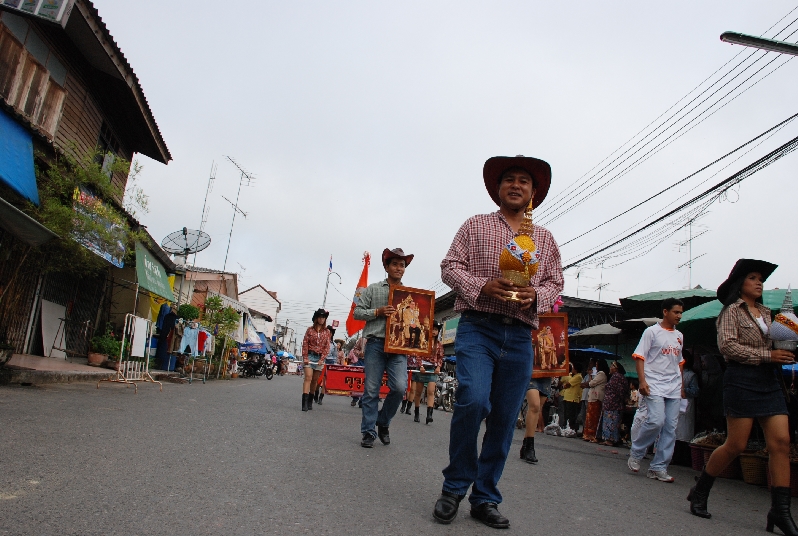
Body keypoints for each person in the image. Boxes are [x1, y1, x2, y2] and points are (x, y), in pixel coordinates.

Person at [433, 155, 563, 528]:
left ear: (533, 192)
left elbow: (555, 281)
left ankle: (485, 497)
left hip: (520, 334)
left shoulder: (545, 238)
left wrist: (536, 296)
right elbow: (449, 266)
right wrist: (481, 286)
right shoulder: (475, 225)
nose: (516, 185)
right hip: (479, 326)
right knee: (473, 400)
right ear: (498, 188)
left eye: (524, 180)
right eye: (509, 179)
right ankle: (454, 487)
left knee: (505, 418)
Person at [688, 259, 798, 535]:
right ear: (740, 284)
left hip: (769, 380)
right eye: (753, 278)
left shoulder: (767, 313)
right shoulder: (731, 312)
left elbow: (774, 344)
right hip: (741, 379)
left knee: (781, 442)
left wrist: (786, 342)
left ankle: (780, 511)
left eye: (761, 279)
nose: (759, 283)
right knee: (736, 444)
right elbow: (727, 347)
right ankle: (700, 490)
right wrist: (768, 355)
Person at [353, 248, 414, 448]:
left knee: (399, 388)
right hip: (376, 343)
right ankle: (368, 432)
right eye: (394, 264)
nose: (398, 268)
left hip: (399, 347)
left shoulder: (410, 295)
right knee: (371, 390)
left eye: (402, 265)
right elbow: (357, 313)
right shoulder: (372, 289)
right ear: (386, 267)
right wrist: (377, 312)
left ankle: (383, 421)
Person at [627, 298, 685, 483]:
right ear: (665, 312)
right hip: (654, 384)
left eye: (681, 313)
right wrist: (642, 381)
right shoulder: (651, 332)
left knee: (670, 428)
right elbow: (639, 356)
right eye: (676, 312)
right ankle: (637, 451)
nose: (679, 316)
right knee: (656, 420)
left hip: (673, 386)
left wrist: (681, 385)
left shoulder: (679, 336)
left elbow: (680, 362)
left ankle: (658, 467)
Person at [411, 321, 444, 424]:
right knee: (418, 392)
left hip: (432, 369)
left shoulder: (439, 344)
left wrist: (438, 367)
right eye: (432, 329)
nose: (434, 331)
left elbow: (440, 357)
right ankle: (416, 412)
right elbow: (418, 354)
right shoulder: (422, 341)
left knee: (431, 391)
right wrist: (420, 365)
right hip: (422, 368)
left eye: (436, 330)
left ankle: (429, 415)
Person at [300, 309, 331, 412]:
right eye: (320, 317)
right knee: (308, 377)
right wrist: (305, 357)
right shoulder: (310, 330)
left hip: (319, 358)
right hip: (310, 356)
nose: (322, 319)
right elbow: (305, 343)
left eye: (323, 317)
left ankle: (310, 400)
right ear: (316, 318)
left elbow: (327, 347)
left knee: (315, 380)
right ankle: (304, 403)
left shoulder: (327, 332)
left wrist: (322, 359)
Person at [519, 372, 552, 464]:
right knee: (535, 406)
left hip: (546, 373)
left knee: (537, 408)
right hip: (532, 371)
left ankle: (525, 445)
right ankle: (530, 447)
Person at [600, 361, 629, 446]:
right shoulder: (617, 377)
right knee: (610, 421)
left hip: (613, 404)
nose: (610, 368)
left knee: (611, 422)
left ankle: (610, 439)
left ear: (616, 369)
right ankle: (609, 438)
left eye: (612, 366)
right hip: (612, 403)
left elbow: (620, 391)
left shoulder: (617, 377)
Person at [582, 359, 609, 442]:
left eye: (597, 365)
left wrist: (588, 382)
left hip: (596, 397)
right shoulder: (598, 374)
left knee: (593, 417)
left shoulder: (601, 374)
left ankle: (592, 435)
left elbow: (592, 383)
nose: (595, 367)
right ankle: (588, 434)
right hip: (593, 397)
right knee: (590, 417)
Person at [560, 363, 583, 431]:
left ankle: (571, 429)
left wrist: (564, 386)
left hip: (572, 398)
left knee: (571, 415)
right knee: (566, 414)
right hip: (567, 397)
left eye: (573, 368)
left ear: (576, 369)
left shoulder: (578, 376)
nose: (572, 369)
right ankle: (566, 428)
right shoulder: (573, 376)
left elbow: (568, 384)